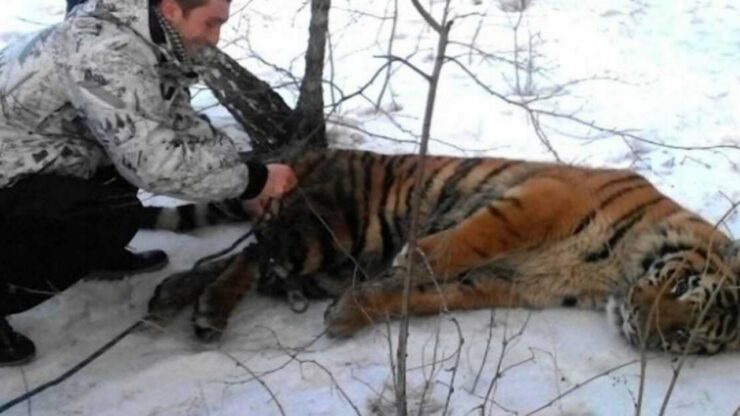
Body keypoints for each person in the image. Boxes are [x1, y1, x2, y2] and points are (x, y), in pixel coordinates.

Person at [0, 0, 297, 366]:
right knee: (109, 215)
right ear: (172, 9)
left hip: (34, 152)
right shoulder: (109, 51)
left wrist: (243, 171)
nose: (215, 38)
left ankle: (93, 254)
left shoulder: (149, 37)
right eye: (210, 24)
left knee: (118, 183)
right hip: (7, 171)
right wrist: (252, 182)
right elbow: (154, 163)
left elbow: (176, 125)